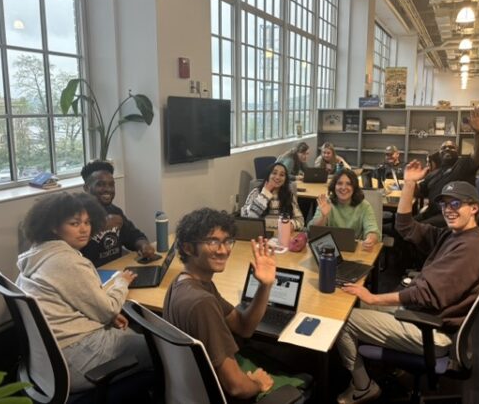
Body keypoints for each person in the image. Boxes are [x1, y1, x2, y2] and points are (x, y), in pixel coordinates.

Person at [335, 161, 479, 403]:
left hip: (430, 327)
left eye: (456, 204)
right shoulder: (456, 235)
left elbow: (425, 295)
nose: (448, 210)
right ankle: (389, 361)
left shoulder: (470, 249)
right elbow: (405, 227)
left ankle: (363, 386)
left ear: (474, 208)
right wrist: (409, 183)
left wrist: (374, 297)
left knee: (343, 321)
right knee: (353, 304)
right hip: (422, 313)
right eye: (444, 204)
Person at [163, 208, 305, 401]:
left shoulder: (186, 282)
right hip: (214, 395)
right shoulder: (202, 302)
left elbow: (243, 327)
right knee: (304, 375)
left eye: (227, 241)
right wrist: (258, 383)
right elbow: (236, 387)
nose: (223, 250)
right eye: (213, 242)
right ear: (188, 248)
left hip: (188, 389)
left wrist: (265, 285)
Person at [16, 192, 152, 392]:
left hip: (50, 360)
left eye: (88, 223)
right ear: (54, 226)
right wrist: (121, 283)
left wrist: (108, 316)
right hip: (78, 359)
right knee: (167, 349)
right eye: (74, 223)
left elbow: (71, 305)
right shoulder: (66, 261)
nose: (84, 229)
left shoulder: (38, 254)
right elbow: (109, 309)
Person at [416, 108, 479, 227]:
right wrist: (411, 181)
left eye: (451, 148)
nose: (447, 150)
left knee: (416, 229)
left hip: (452, 214)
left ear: (458, 152)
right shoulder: (434, 173)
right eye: (444, 148)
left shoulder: (464, 165)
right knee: (405, 224)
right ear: (439, 153)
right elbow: (419, 192)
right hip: (432, 212)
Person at [80, 160, 156, 267]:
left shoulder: (115, 211)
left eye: (111, 185)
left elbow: (134, 236)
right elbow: (71, 251)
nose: (108, 189)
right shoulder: (77, 216)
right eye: (100, 185)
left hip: (118, 272)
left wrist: (144, 245)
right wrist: (100, 226)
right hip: (91, 275)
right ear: (87, 188)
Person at [308, 169, 380, 250]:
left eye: (348, 184)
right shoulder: (326, 203)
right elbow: (313, 231)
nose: (343, 187)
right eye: (339, 183)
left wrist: (370, 239)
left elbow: (372, 230)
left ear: (354, 187)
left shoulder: (364, 206)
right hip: (329, 250)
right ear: (334, 186)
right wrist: (323, 217)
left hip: (355, 251)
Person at [241, 162, 305, 231]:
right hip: (260, 235)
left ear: (285, 180)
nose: (277, 177)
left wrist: (292, 225)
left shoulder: (289, 195)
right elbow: (248, 219)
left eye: (282, 175)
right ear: (268, 176)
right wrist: (265, 194)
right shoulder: (256, 193)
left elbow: (300, 220)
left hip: (282, 235)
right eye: (274, 173)